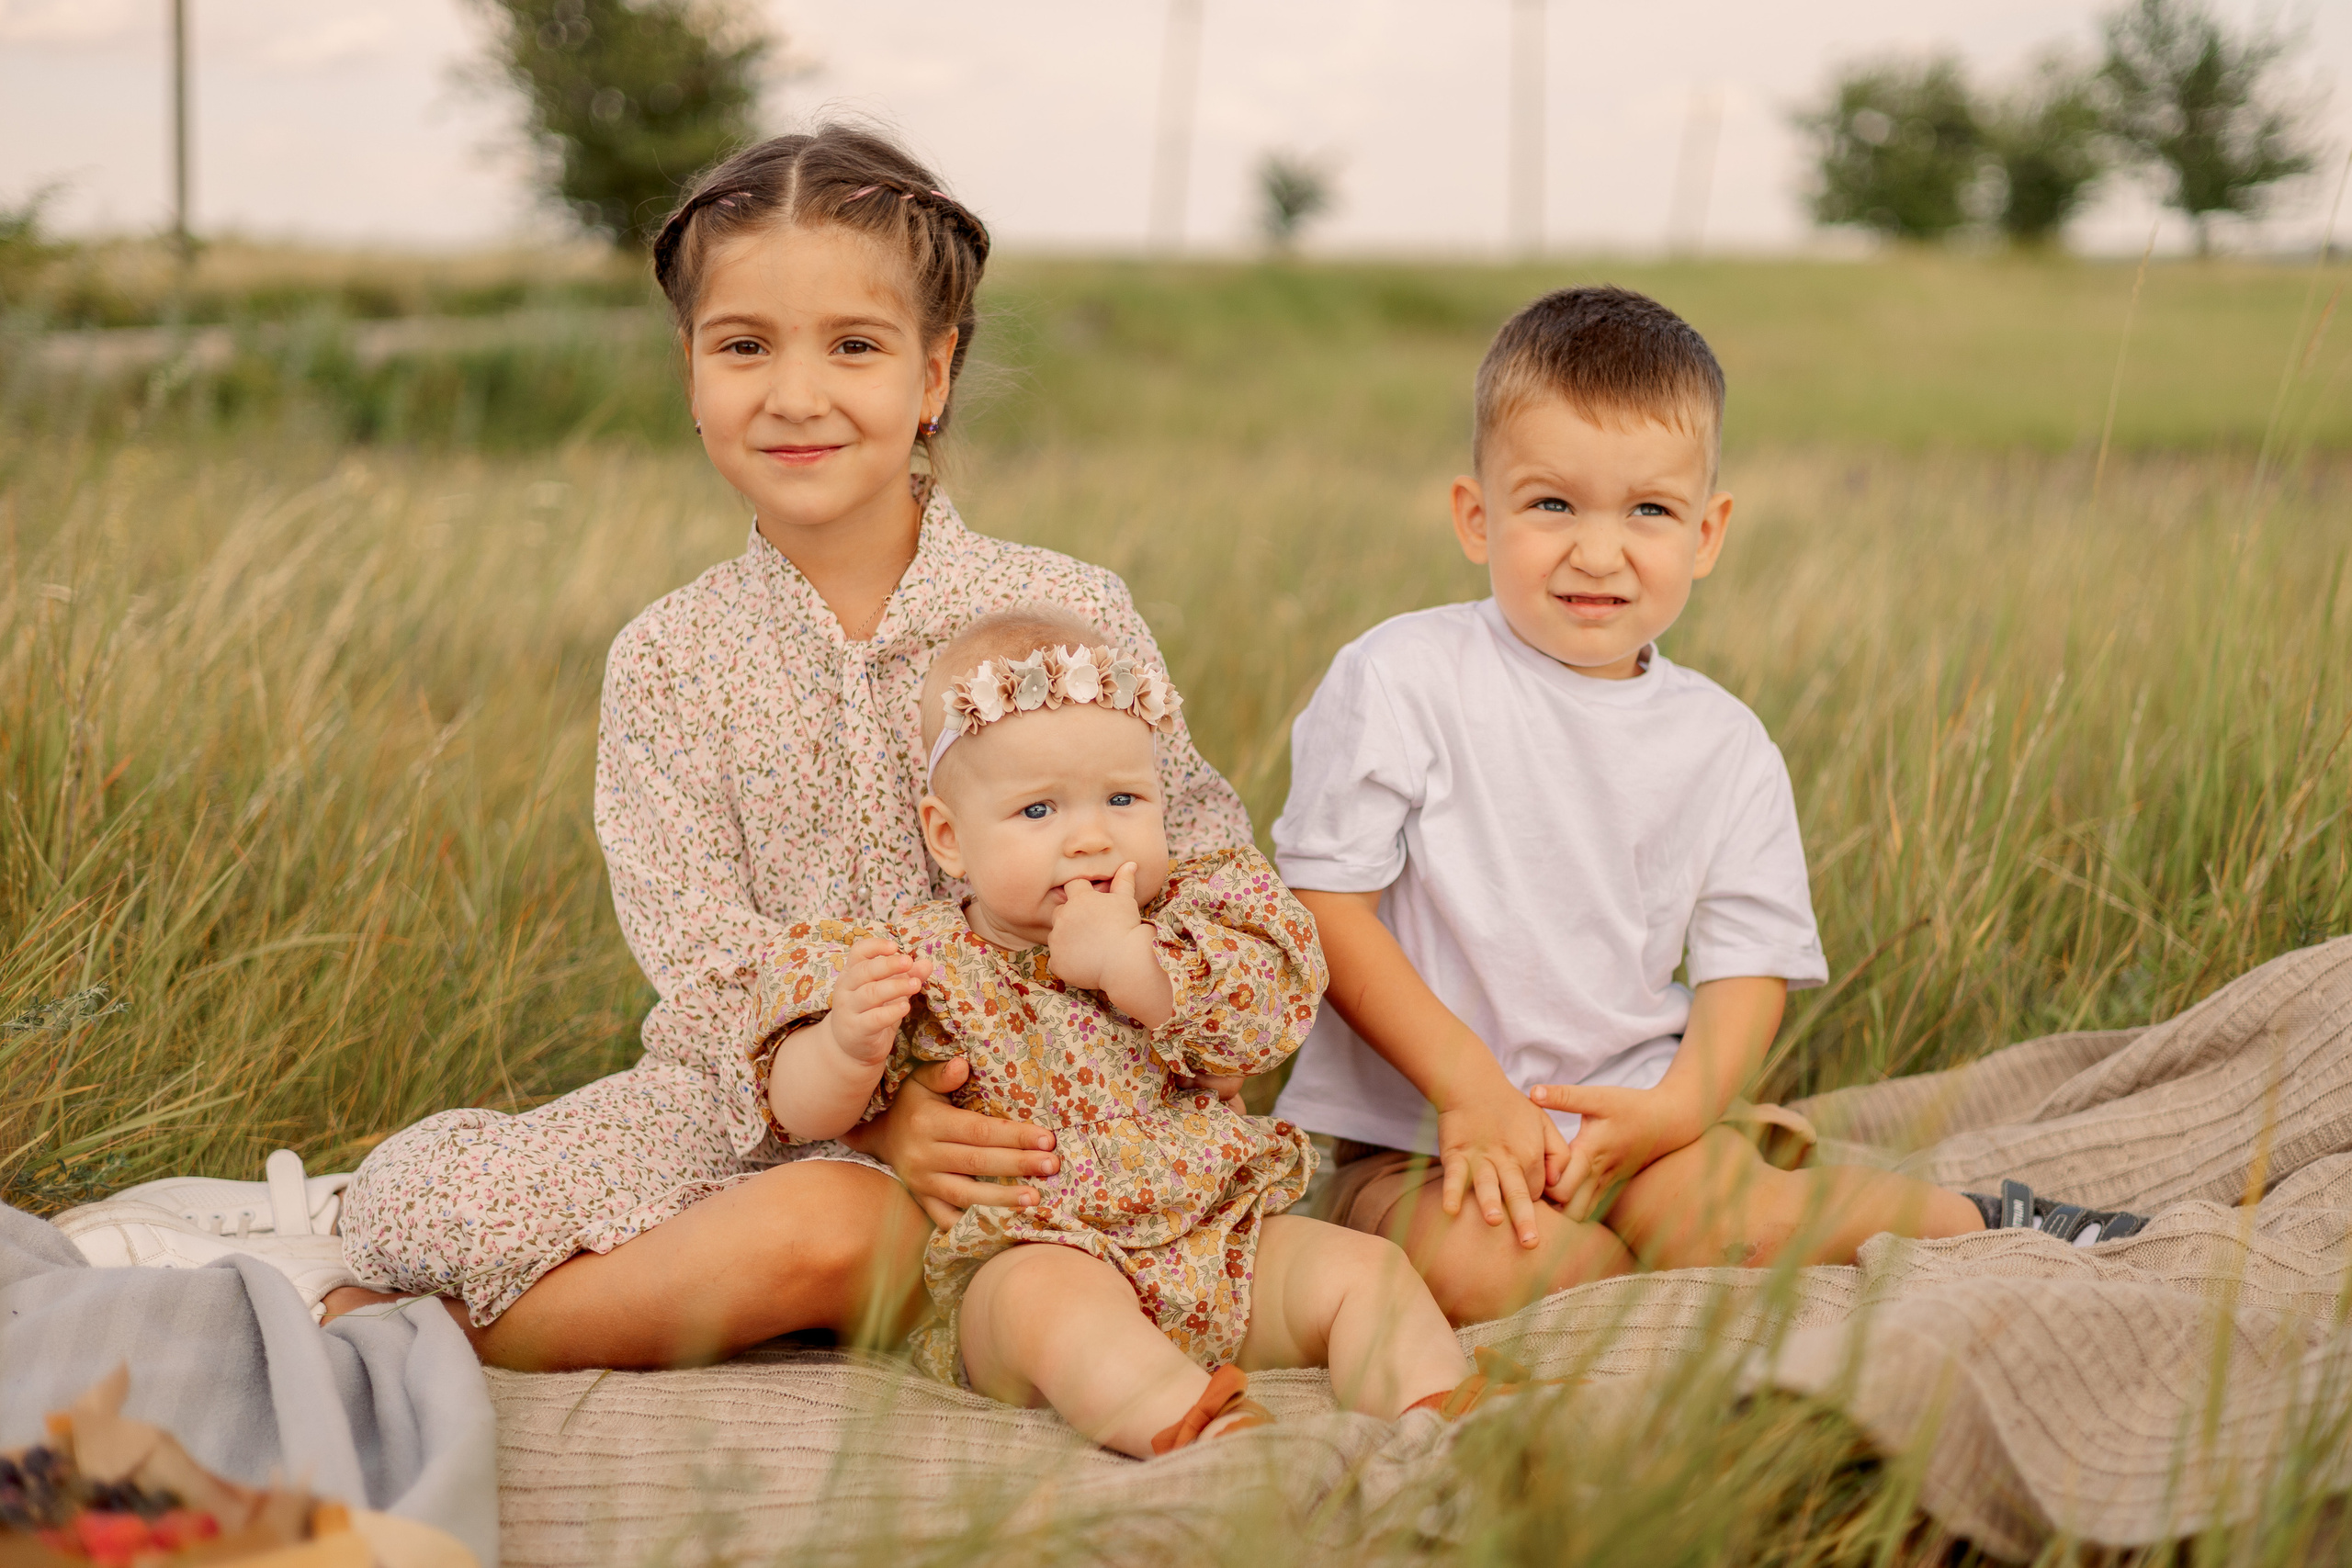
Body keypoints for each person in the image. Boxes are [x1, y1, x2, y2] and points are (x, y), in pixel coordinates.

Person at [311, 126, 1257, 1368]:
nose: (795, 394)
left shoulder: (1064, 613)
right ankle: (523, 1282)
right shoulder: (671, 654)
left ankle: (468, 1337)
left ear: (933, 374)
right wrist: (866, 1106)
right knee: (420, 1201)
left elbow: (1194, 860)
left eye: (854, 346)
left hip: (1042, 1109)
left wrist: (1049, 1021)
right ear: (691, 372)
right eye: (744, 345)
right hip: (758, 1100)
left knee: (832, 1228)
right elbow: (700, 953)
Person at [1272, 287, 2147, 1325]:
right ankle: (1613, 1283)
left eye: (1647, 511)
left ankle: (1980, 1219)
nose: (1598, 552)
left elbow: (1745, 966)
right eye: (1552, 504)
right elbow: (1327, 911)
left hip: (1634, 1121)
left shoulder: (1723, 744)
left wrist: (1677, 1108)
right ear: (1477, 515)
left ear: (1707, 531)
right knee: (1514, 1278)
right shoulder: (1401, 678)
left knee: (1733, 1222)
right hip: (1419, 1138)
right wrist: (1469, 1087)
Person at [754, 605, 1495, 1456]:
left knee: (1366, 1272)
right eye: (1038, 811)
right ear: (949, 838)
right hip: (1034, 1249)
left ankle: (1440, 1430)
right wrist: (845, 1044)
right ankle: (1217, 1444)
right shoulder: (916, 958)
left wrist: (1134, 967)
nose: (1092, 835)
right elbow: (799, 1109)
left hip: (1221, 1239)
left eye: (1122, 797)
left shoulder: (1190, 927)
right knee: (1047, 1304)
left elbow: (1266, 1023)